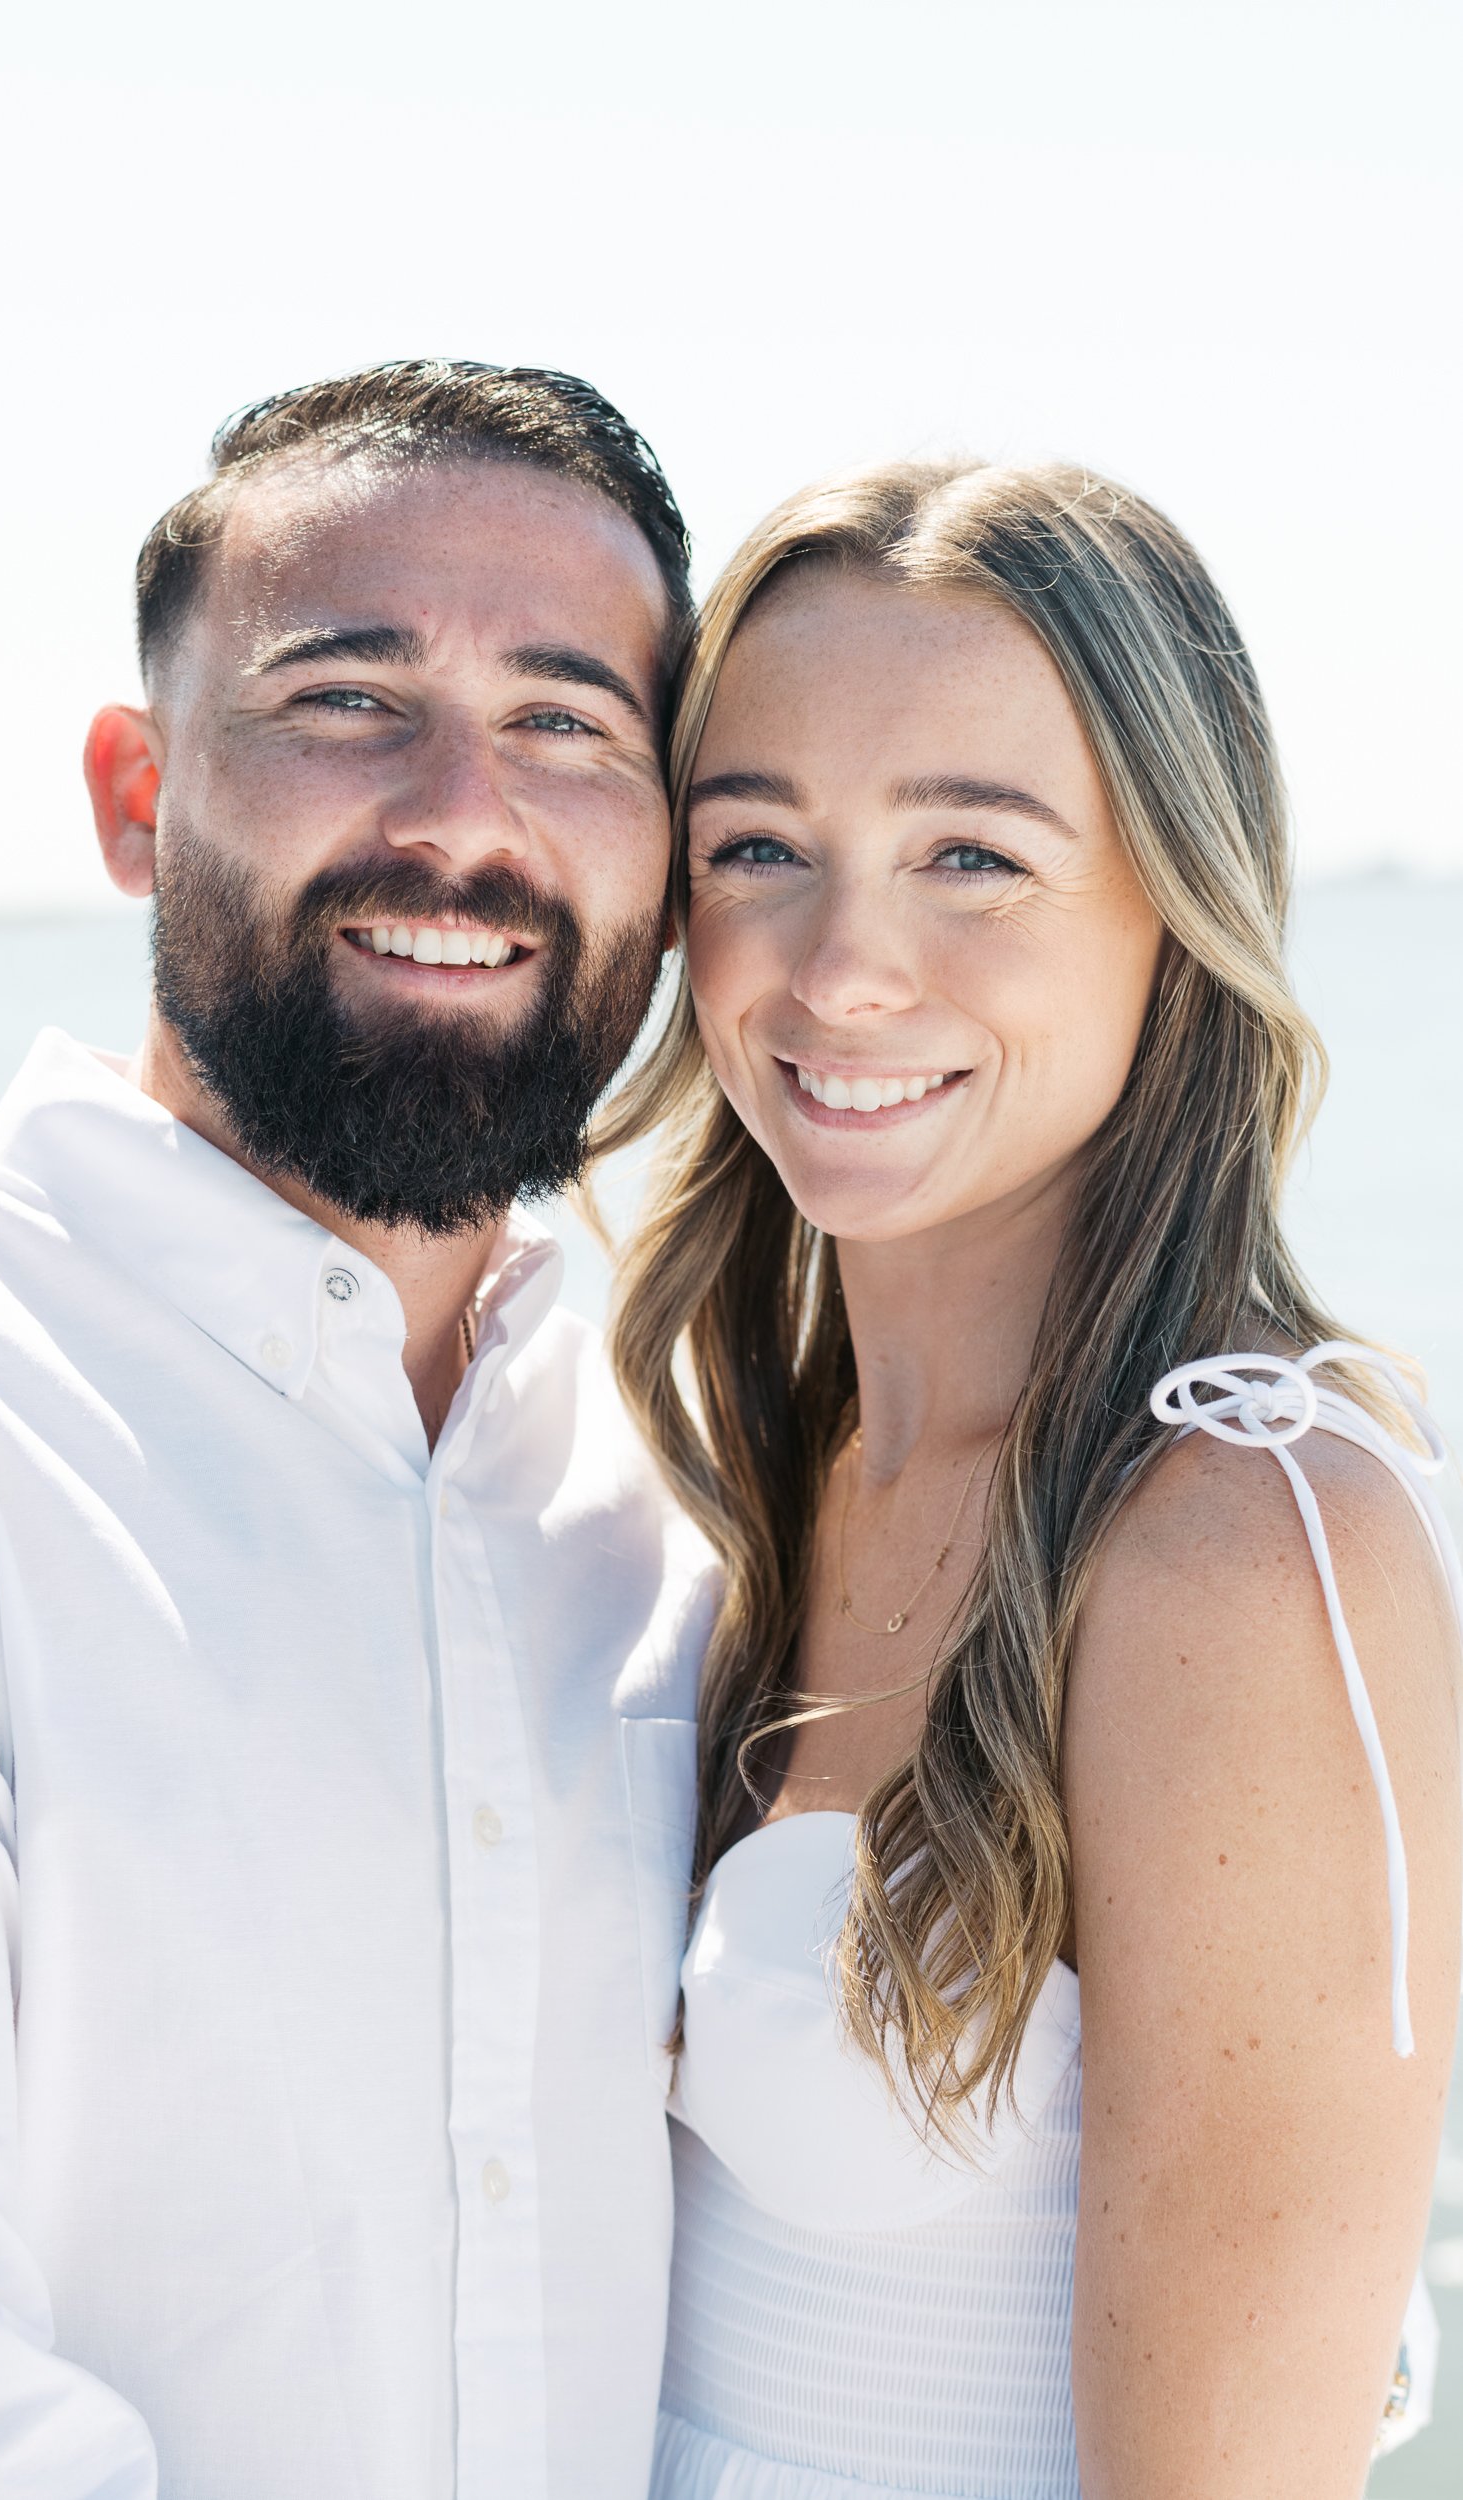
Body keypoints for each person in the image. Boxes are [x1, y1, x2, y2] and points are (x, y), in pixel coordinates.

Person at [0, 361, 712, 2500]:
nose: (461, 814)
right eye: (344, 697)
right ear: (136, 793)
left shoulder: (681, 1468)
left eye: (570, 722)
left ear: (672, 851)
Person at [603, 459, 1463, 2497]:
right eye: (758, 847)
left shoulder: (1245, 1536)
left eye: (971, 856)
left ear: (1168, 899)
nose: (839, 968)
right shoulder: (738, 1472)